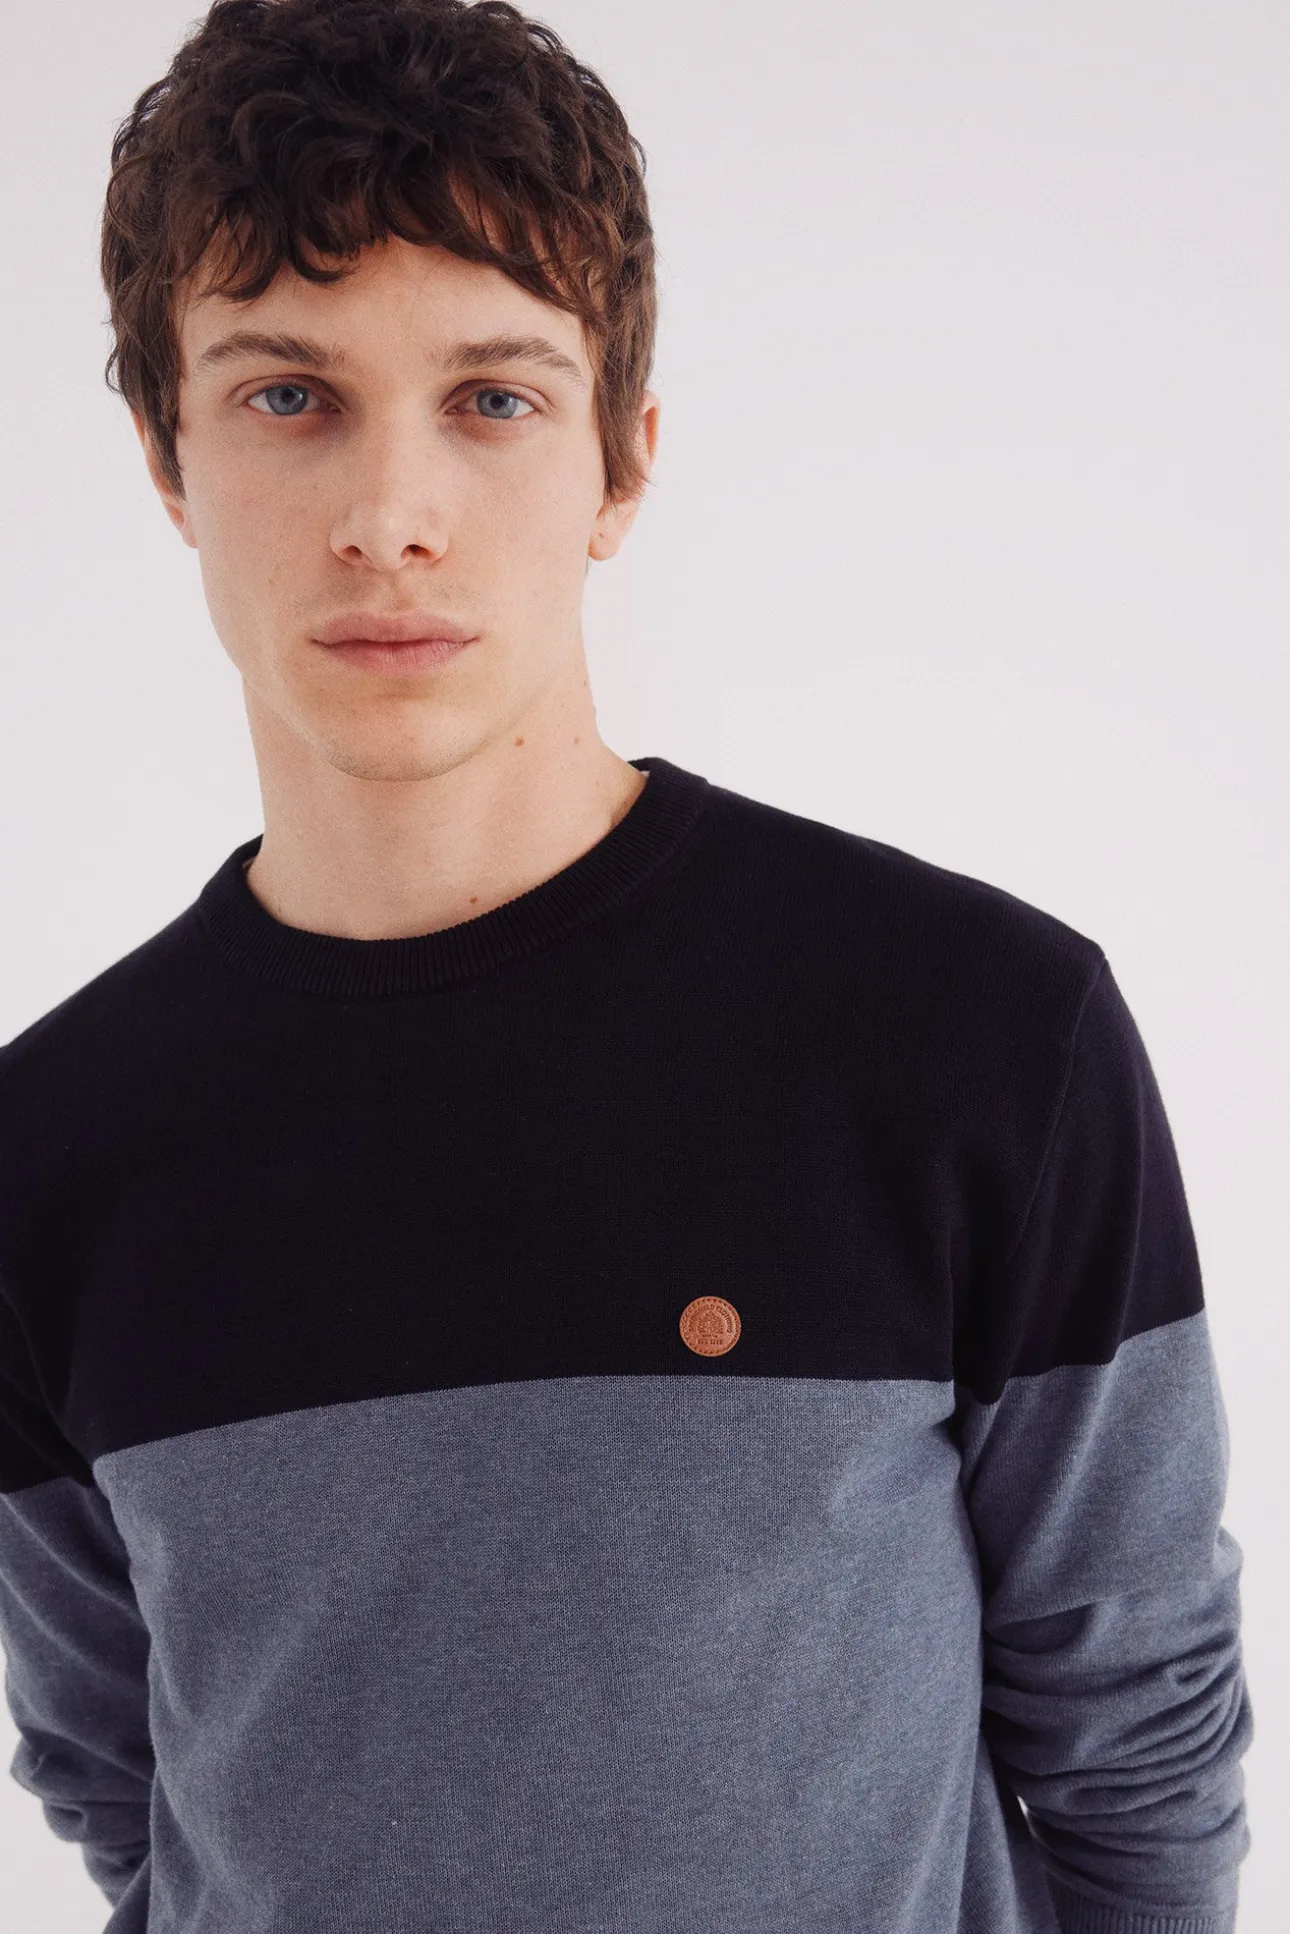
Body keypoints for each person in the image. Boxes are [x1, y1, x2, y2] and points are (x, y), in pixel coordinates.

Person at [0, 2, 1254, 1930]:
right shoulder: (46, 1154)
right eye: (288, 395)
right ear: (168, 457)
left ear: (622, 463)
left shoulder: (977, 1034)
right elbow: (126, 1778)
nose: (389, 517)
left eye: (492, 398)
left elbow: (1135, 1758)